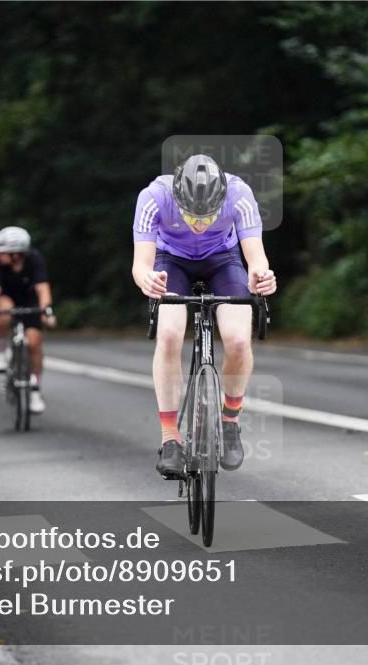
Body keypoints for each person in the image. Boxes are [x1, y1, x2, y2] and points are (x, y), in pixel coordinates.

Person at [131, 154, 276, 478]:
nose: (199, 225)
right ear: (177, 200)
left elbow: (256, 257)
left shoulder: (239, 194)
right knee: (169, 335)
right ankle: (170, 438)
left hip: (222, 260)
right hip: (172, 261)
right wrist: (147, 280)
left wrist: (262, 276)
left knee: (238, 340)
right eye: (191, 216)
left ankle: (230, 422)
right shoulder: (154, 197)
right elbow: (141, 265)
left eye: (208, 216)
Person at [0, 226, 56, 414]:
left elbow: (42, 288)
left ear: (16, 253)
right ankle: (1, 352)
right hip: (7, 300)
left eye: (3, 252)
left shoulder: (34, 259)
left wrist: (47, 311)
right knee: (4, 309)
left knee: (34, 344)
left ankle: (35, 390)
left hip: (30, 301)